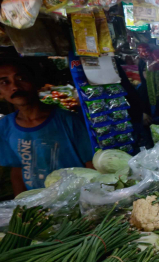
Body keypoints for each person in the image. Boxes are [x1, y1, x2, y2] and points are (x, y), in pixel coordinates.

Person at [0, 60, 94, 195]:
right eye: (4, 82)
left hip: (75, 198)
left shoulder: (68, 121)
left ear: (36, 82)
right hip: (39, 205)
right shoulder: (4, 127)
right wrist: (20, 204)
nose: (15, 86)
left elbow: (90, 163)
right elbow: (17, 170)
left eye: (21, 78)